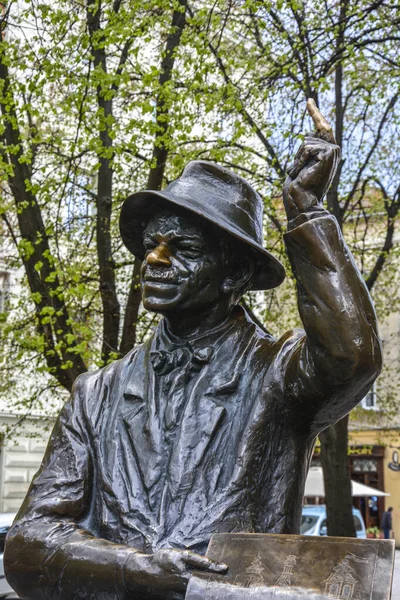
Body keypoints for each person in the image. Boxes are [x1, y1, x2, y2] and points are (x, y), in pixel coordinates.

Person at [4, 106, 382, 600]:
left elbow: (352, 355)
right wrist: (136, 569)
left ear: (236, 274)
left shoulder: (276, 374)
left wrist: (307, 210)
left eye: (182, 246)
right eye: (151, 244)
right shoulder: (97, 393)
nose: (154, 259)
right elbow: (28, 543)